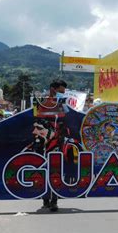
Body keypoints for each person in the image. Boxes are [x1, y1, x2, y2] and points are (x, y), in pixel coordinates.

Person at [38, 79, 68, 212]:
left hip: (59, 142)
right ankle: (45, 199)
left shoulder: (63, 104)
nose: (62, 94)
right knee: (44, 169)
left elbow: (67, 118)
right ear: (53, 89)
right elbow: (35, 119)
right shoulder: (40, 103)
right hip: (44, 142)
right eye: (60, 91)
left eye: (63, 92)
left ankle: (54, 200)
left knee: (57, 168)